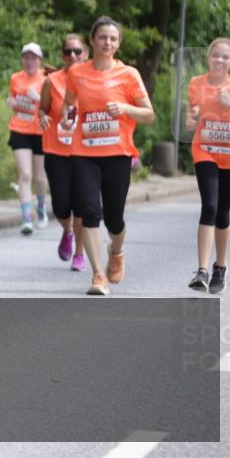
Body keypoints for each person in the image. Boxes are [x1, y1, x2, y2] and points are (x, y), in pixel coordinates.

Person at [61, 16, 155, 296]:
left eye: (113, 39)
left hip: (117, 153)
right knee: (89, 212)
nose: (107, 43)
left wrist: (125, 109)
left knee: (114, 219)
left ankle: (117, 249)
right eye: (102, 37)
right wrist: (68, 120)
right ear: (92, 40)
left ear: (118, 44)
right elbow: (69, 104)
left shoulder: (129, 74)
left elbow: (149, 114)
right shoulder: (77, 73)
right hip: (84, 153)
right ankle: (98, 275)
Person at [185, 37, 230, 293]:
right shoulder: (197, 83)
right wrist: (191, 118)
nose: (219, 60)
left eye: (225, 57)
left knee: (223, 213)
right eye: (215, 55)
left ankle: (221, 266)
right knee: (209, 205)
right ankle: (202, 270)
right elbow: (190, 117)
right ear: (208, 57)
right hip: (205, 150)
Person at [38, 34, 90, 270]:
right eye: (68, 52)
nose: (73, 56)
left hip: (86, 153)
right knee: (60, 206)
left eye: (77, 51)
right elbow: (42, 110)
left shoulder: (93, 80)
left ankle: (79, 253)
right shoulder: (51, 81)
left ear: (86, 54)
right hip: (56, 150)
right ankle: (67, 230)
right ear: (62, 56)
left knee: (81, 206)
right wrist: (43, 117)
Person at [7, 43, 49, 235]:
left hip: (41, 131)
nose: (29, 61)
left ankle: (41, 208)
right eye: (26, 57)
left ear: (40, 60)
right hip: (19, 129)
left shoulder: (47, 79)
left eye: (33, 58)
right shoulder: (15, 78)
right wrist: (12, 102)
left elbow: (54, 107)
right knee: (25, 174)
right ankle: (26, 218)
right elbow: (13, 100)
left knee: (40, 177)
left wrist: (39, 98)